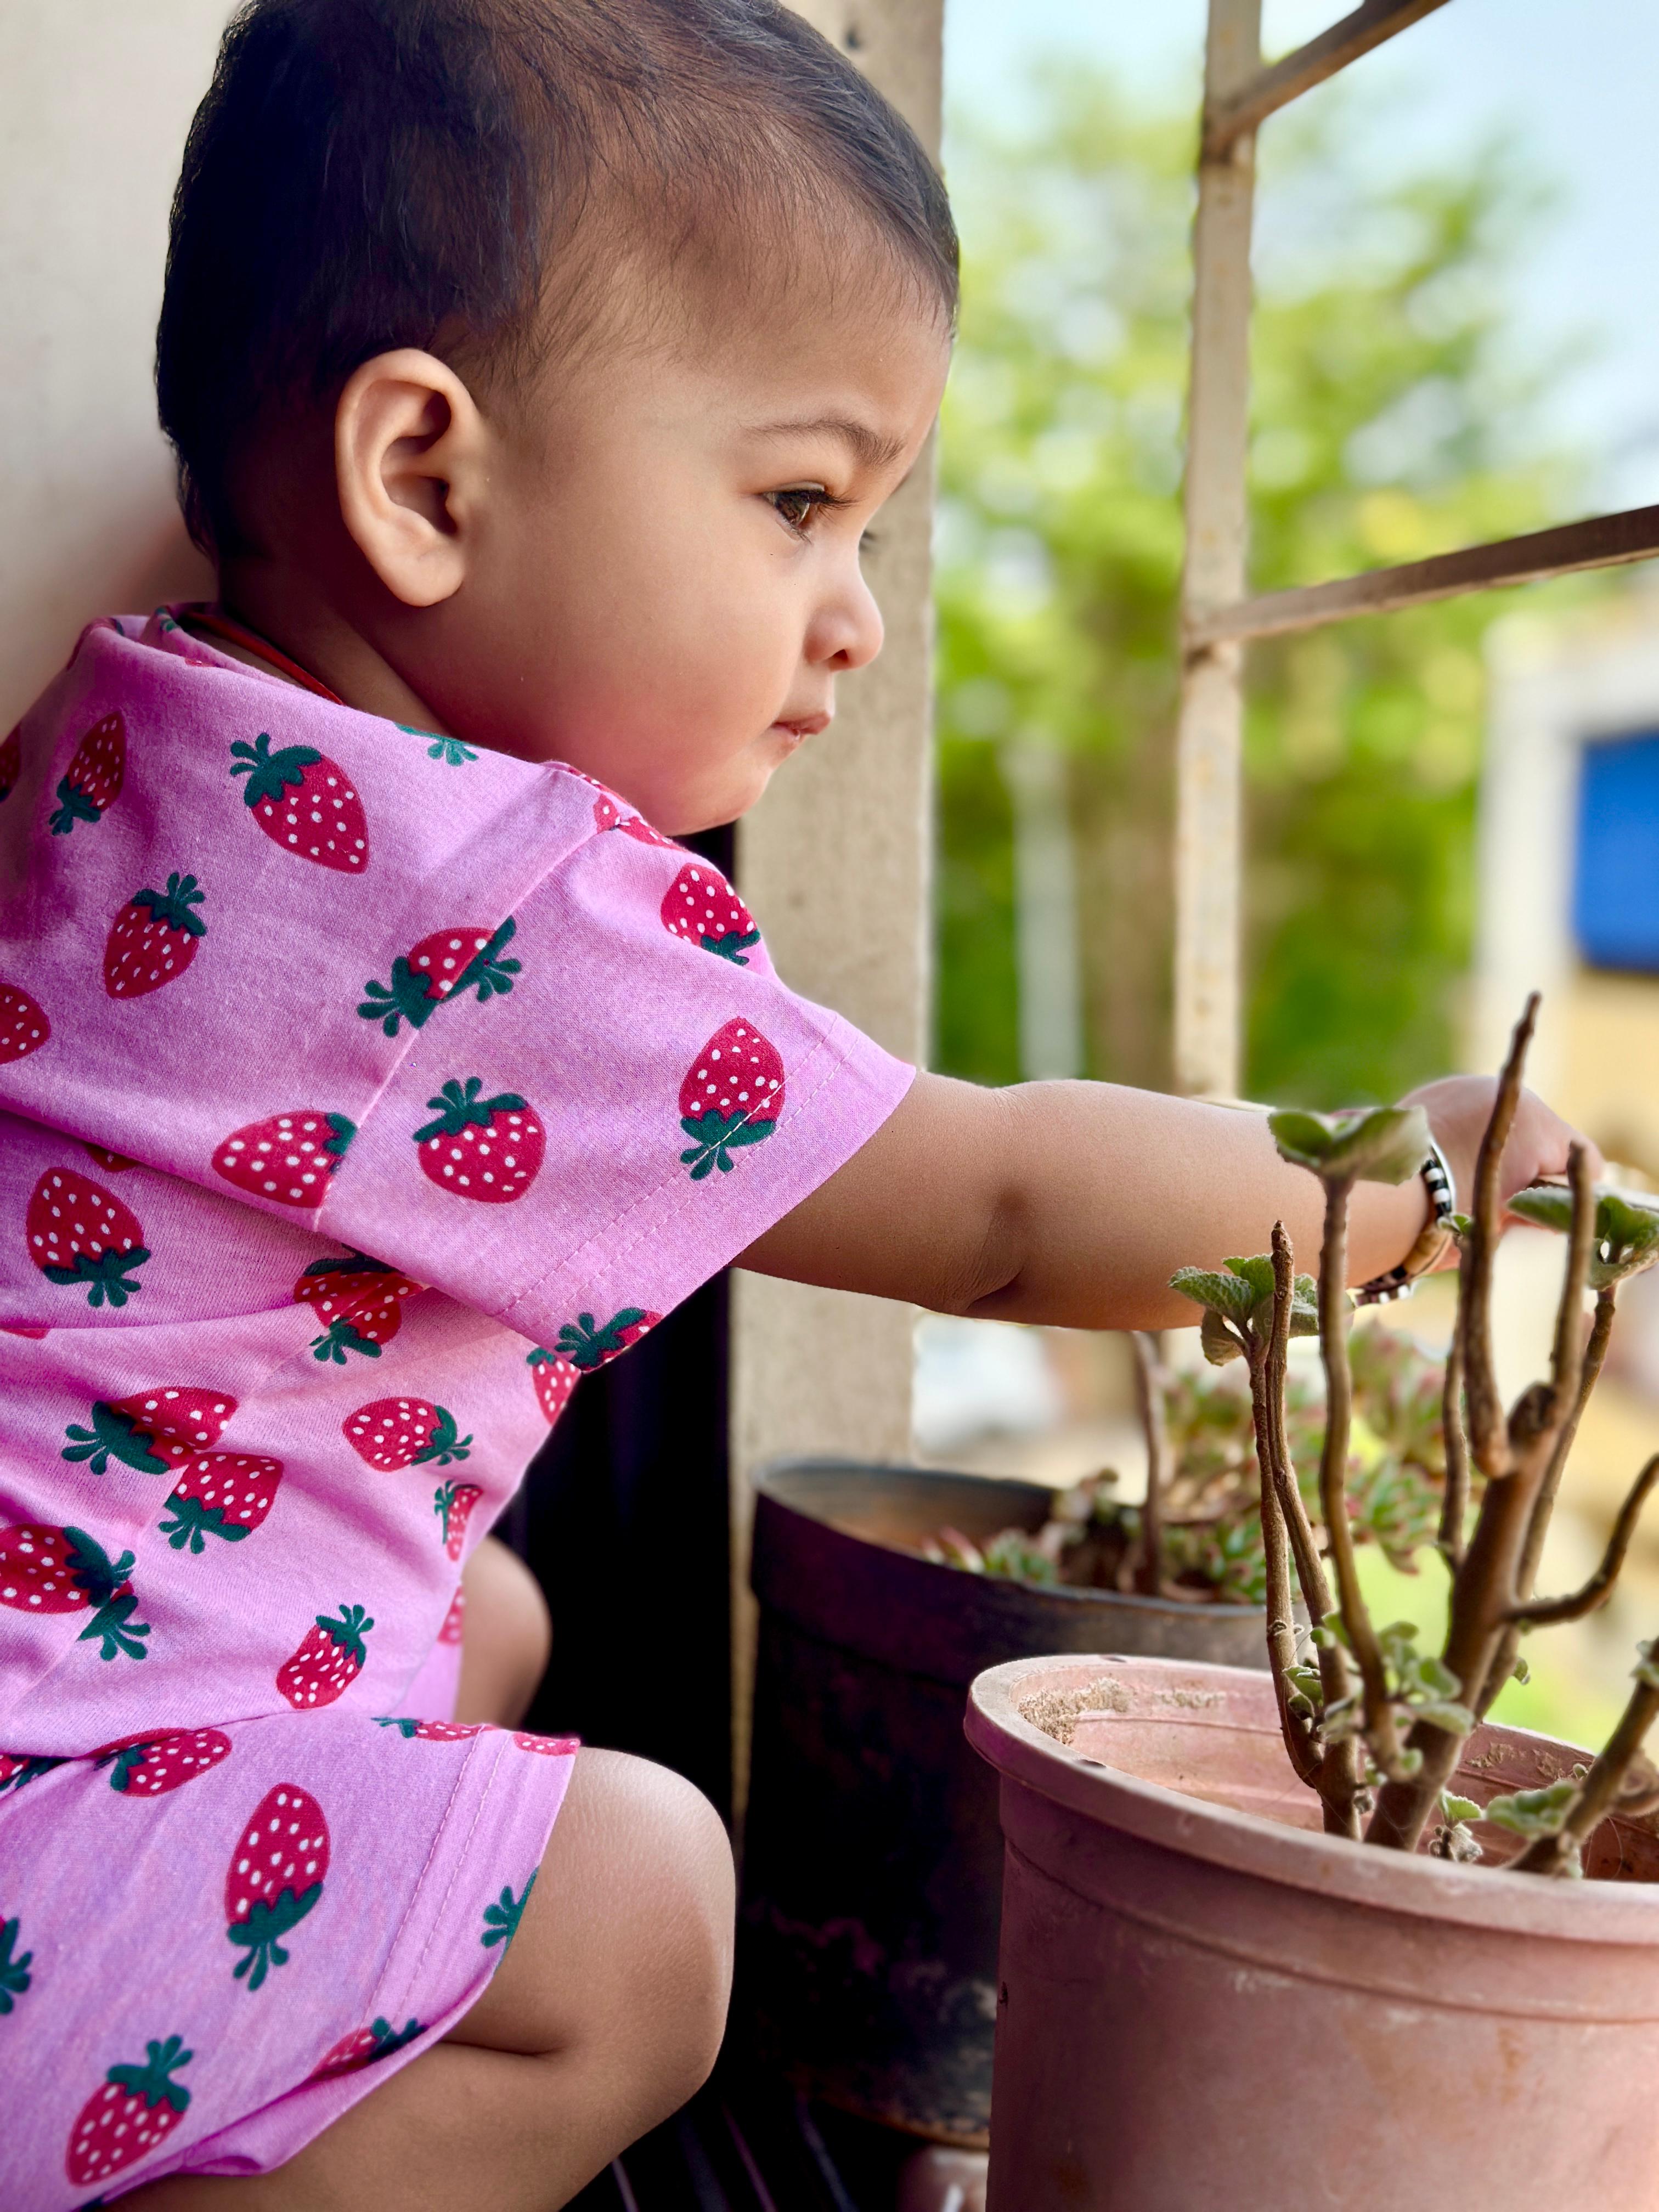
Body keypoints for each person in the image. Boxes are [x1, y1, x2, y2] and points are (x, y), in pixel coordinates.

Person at [0, 3, 1593, 2207]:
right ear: (426, 480)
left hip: (69, 1658)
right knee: (651, 1915)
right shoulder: (489, 898)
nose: (851, 621)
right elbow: (1010, 1199)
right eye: (800, 501)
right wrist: (1398, 1183)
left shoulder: (134, 718)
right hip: (45, 1828)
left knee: (502, 1625)